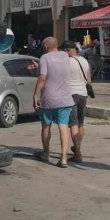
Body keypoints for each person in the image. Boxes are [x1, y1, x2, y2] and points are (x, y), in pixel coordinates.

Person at [33, 37, 75, 168]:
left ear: (45, 47)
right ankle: (63, 158)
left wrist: (36, 94)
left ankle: (46, 153)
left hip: (49, 99)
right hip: (66, 99)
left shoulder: (44, 58)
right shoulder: (65, 56)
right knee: (63, 126)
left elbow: (43, 77)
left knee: (46, 126)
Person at [61, 40, 90, 163]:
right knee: (81, 123)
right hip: (83, 93)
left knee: (73, 124)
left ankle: (77, 153)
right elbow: (89, 79)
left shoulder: (66, 62)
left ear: (67, 50)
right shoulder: (84, 60)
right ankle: (78, 148)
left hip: (71, 94)